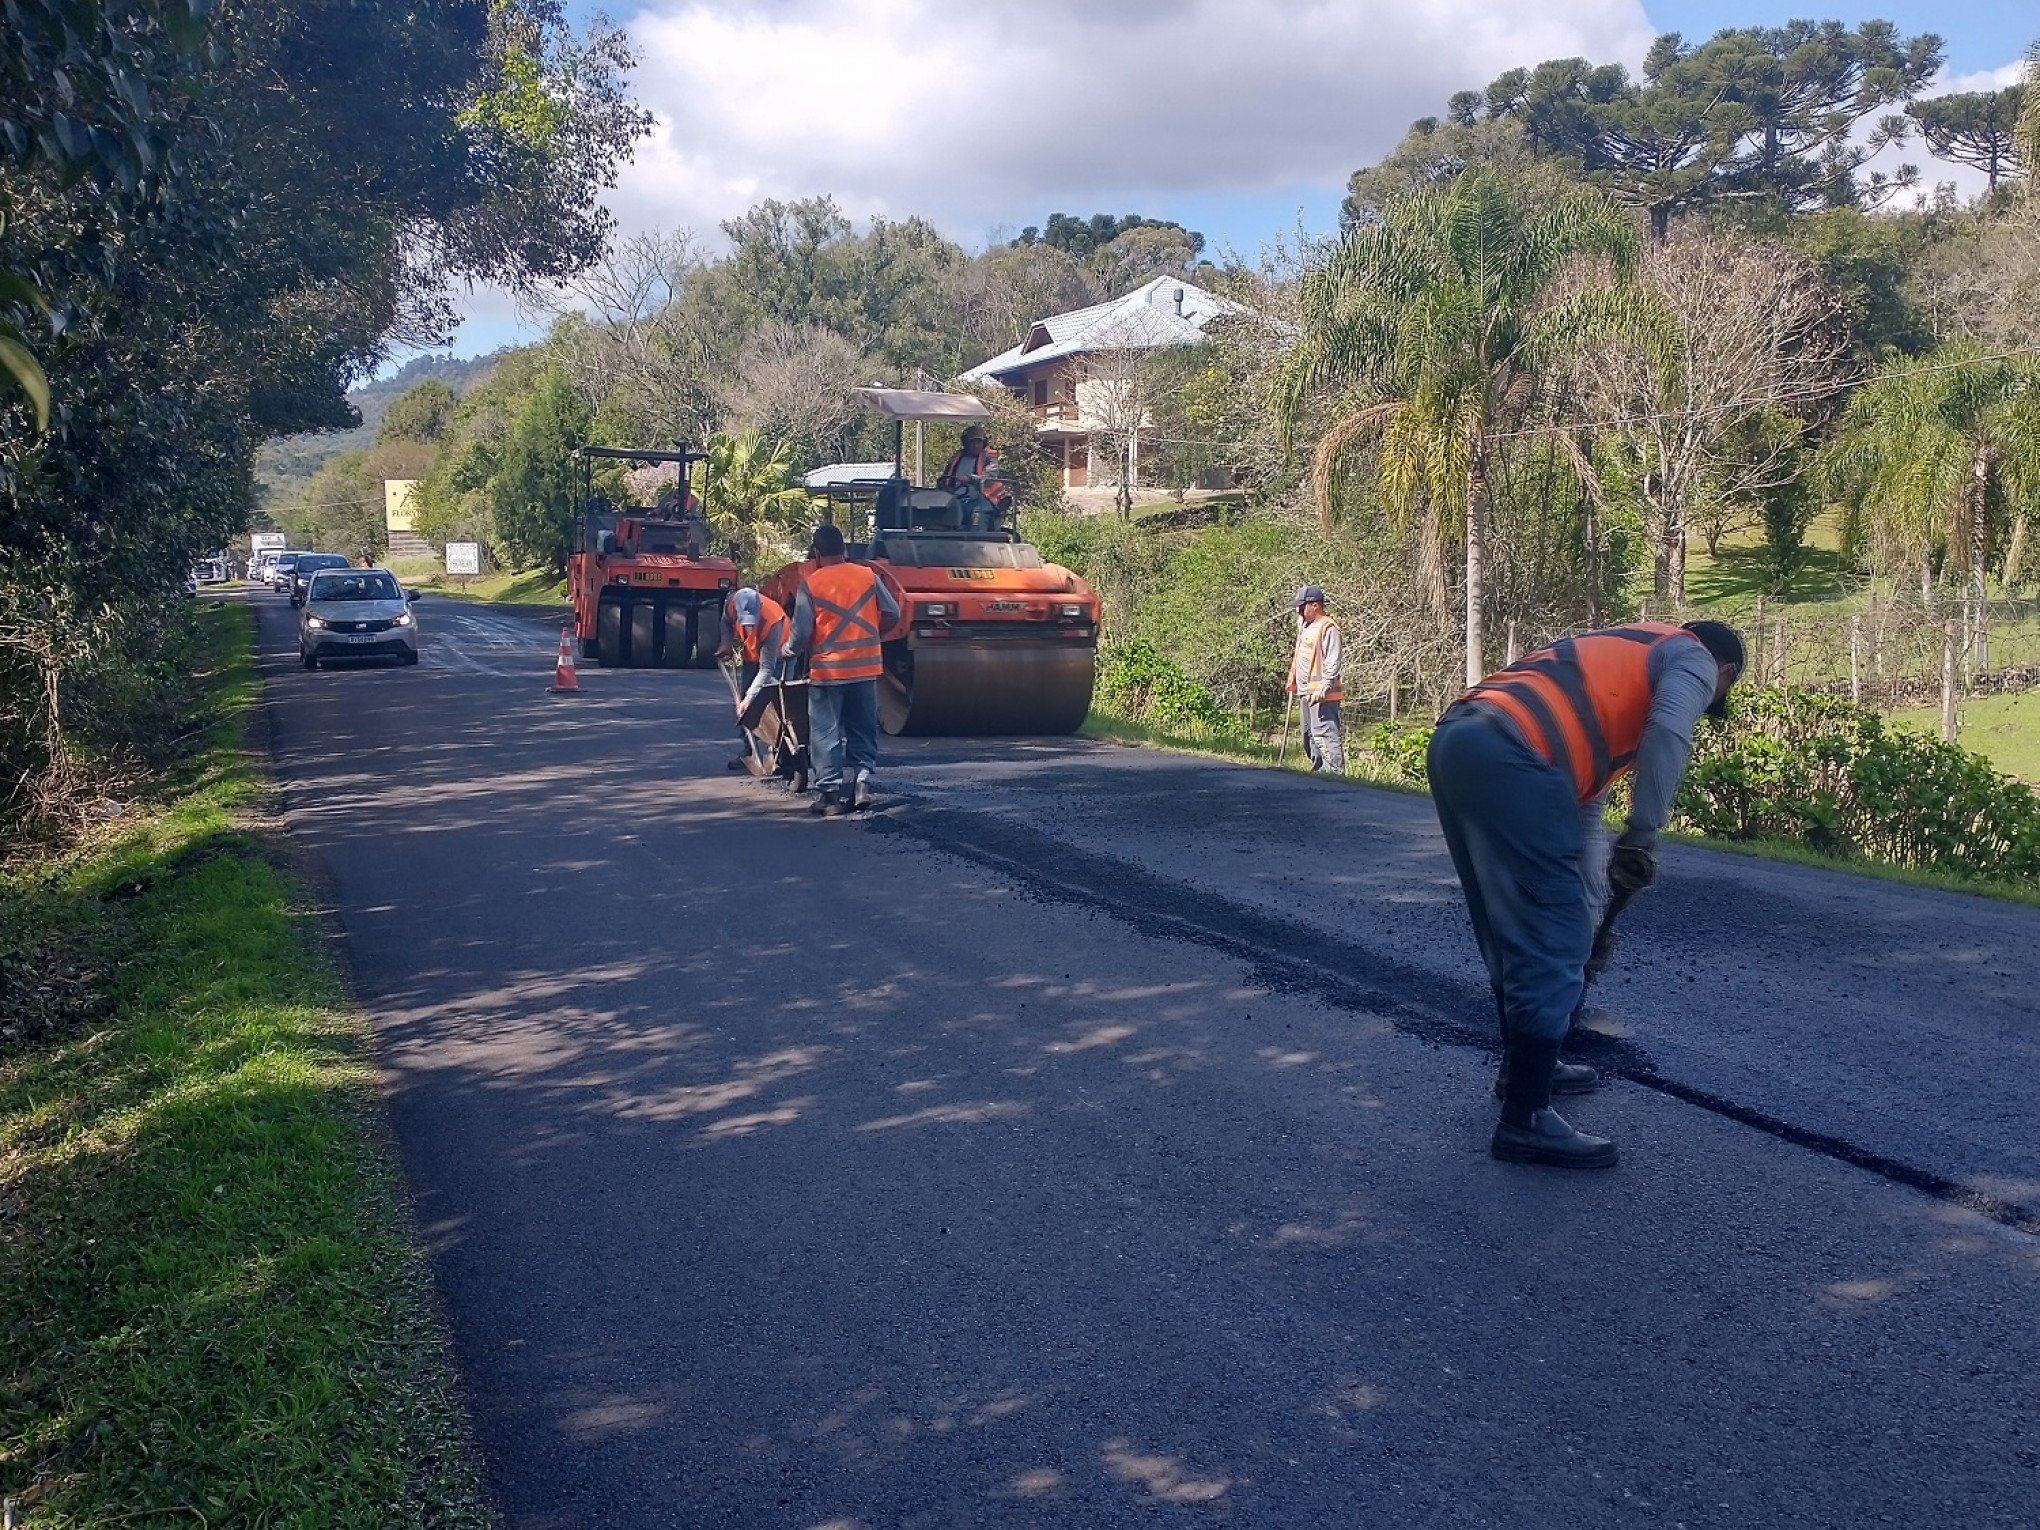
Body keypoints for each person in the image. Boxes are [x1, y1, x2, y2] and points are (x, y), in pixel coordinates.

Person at [1426, 619, 1744, 1169]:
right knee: (1549, 934)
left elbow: (1580, 813)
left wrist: (1594, 914)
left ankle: (1525, 1069)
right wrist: (1643, 835)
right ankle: (1526, 1118)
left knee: (1514, 924)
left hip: (1460, 740)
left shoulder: (1612, 659)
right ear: (1725, 674)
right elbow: (1670, 731)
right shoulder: (1690, 655)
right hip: (1514, 755)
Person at [784, 524, 898, 816]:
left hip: (829, 672)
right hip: (866, 668)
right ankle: (861, 783)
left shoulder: (811, 583)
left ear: (817, 553)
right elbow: (893, 613)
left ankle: (830, 797)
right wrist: (872, 636)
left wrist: (788, 652)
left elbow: (801, 632)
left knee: (826, 733)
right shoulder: (867, 576)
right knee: (862, 727)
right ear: (845, 550)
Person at [718, 586, 790, 770]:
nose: (749, 624)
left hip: (779, 655)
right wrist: (726, 643)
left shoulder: (772, 620)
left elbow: (767, 669)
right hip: (752, 655)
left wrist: (750, 698)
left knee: (773, 702)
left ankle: (777, 752)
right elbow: (725, 622)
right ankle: (749, 749)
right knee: (745, 704)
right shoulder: (732, 605)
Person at [1286, 585, 1344, 774]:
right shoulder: (1305, 625)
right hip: (1305, 691)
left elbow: (1333, 660)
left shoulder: (1328, 627)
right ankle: (1319, 768)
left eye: (1302, 607)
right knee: (1308, 735)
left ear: (1315, 605)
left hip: (1321, 694)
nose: (1299, 611)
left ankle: (1334, 771)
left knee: (1324, 732)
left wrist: (1324, 687)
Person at [936, 425, 1010, 511]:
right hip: (955, 498)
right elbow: (945, 478)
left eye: (978, 442)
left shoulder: (989, 458)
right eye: (972, 442)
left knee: (975, 518)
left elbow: (990, 478)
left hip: (983, 501)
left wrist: (970, 479)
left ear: (984, 443)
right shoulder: (957, 458)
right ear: (965, 444)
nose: (975, 445)